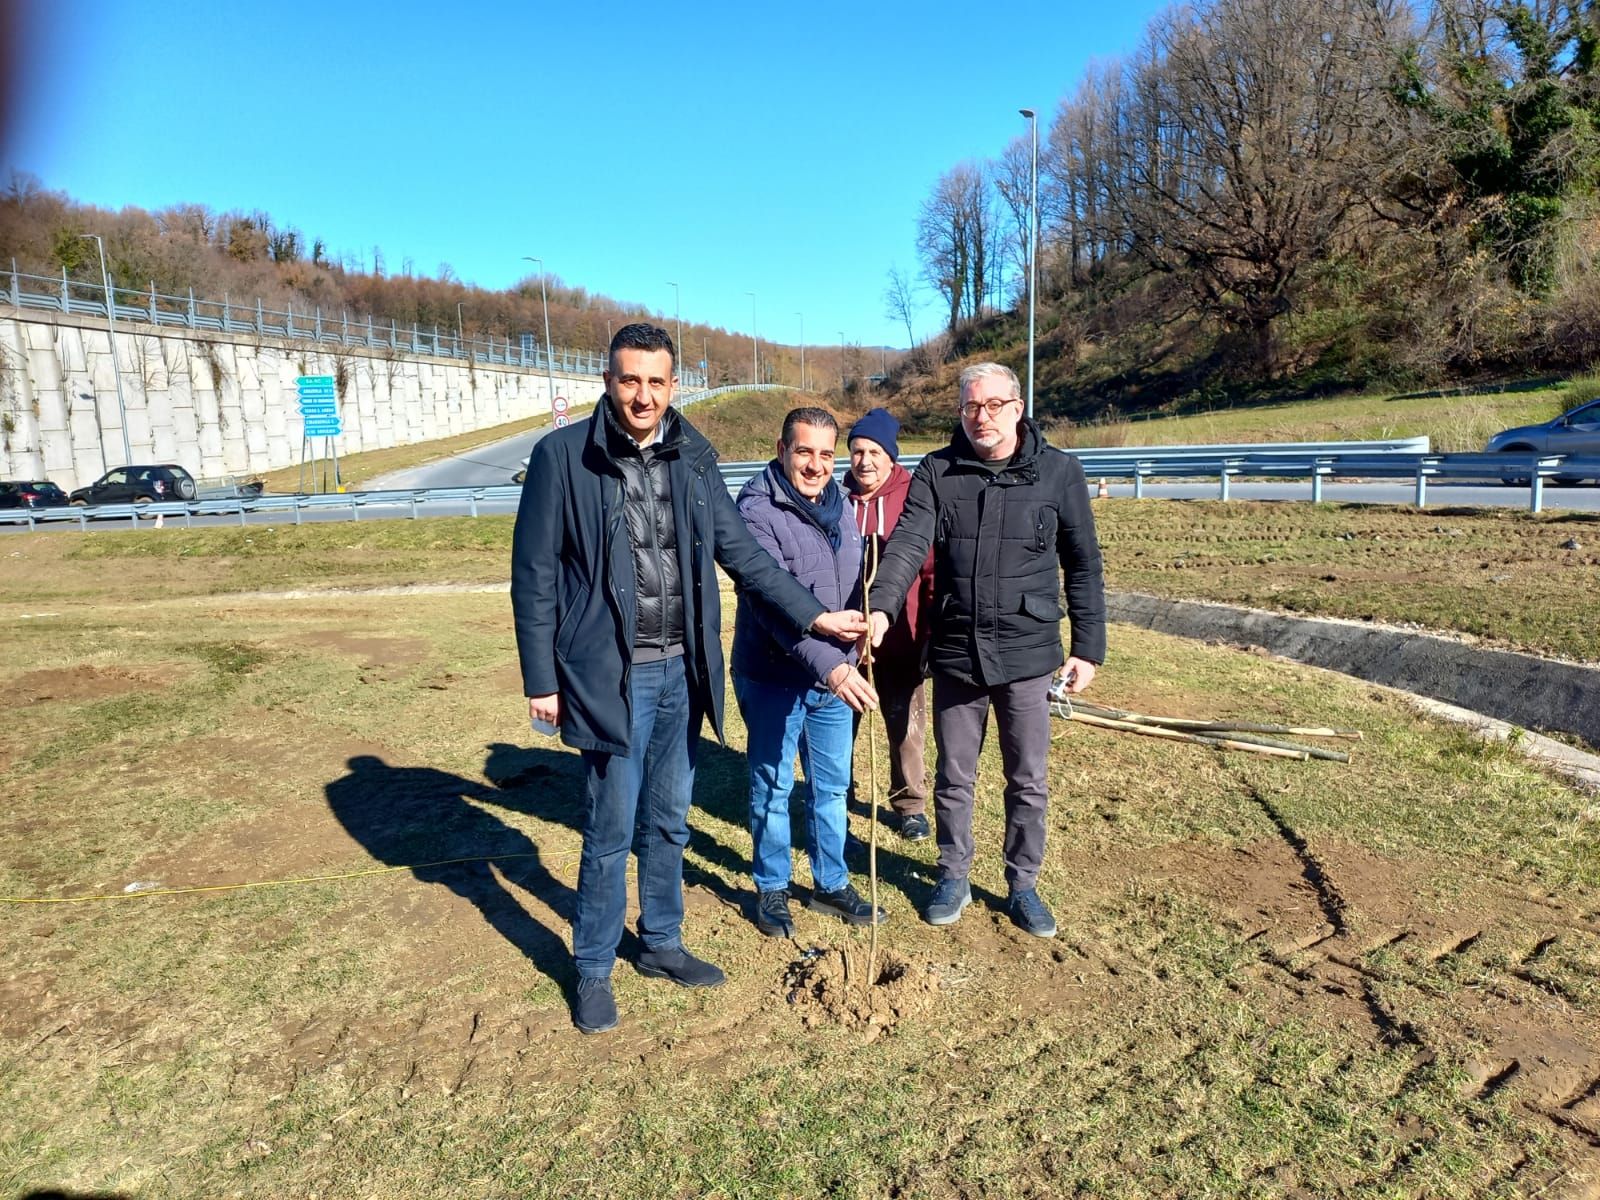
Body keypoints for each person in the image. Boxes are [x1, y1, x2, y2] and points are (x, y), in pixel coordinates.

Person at [511, 324, 867, 1034]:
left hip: (683, 670)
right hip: (609, 675)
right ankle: (591, 968)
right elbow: (535, 577)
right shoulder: (562, 458)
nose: (642, 395)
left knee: (670, 821)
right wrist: (540, 677)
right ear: (608, 381)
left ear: (674, 386)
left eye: (656, 382)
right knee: (610, 829)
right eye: (629, 380)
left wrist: (817, 618)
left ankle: (662, 944)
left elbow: (744, 557)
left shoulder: (693, 455)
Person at [866, 363, 1106, 938]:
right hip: (956, 651)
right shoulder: (937, 471)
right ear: (961, 413)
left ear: (1017, 408)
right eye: (972, 407)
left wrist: (1088, 649)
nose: (983, 417)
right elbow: (905, 545)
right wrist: (881, 605)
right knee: (954, 776)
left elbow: (1084, 564)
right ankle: (953, 874)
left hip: (1028, 652)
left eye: (995, 405)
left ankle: (1023, 884)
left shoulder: (1059, 472)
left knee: (1027, 779)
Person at [732, 406, 887, 938]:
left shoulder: (840, 504)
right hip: (773, 674)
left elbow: (847, 585)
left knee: (832, 786)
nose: (816, 465)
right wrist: (833, 668)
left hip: (833, 674)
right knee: (773, 786)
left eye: (826, 454)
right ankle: (772, 888)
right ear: (782, 450)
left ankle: (831, 884)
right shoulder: (755, 511)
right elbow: (770, 603)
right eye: (804, 452)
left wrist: (862, 632)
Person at [844, 407, 935, 843]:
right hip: (845, 641)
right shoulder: (835, 497)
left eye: (874, 452)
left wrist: (928, 628)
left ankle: (910, 804)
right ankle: (835, 795)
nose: (865, 461)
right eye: (858, 451)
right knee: (838, 726)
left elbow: (929, 565)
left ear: (891, 456)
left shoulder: (913, 497)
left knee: (905, 727)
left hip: (901, 638)